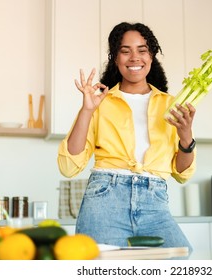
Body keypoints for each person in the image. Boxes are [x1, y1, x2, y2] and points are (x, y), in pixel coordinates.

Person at [57, 22, 197, 255]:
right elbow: (69, 166)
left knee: (181, 258)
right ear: (115, 58)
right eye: (125, 51)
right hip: (105, 200)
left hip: (155, 202)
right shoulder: (100, 101)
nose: (134, 57)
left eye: (142, 50)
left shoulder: (171, 104)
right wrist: (87, 111)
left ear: (151, 57)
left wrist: (186, 138)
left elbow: (181, 173)